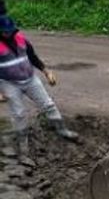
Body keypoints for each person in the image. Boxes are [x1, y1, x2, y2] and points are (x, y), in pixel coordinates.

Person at [0, 14, 78, 159]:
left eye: (10, 31)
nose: (8, 33)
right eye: (5, 31)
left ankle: (62, 130)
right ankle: (23, 144)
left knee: (48, 104)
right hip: (9, 83)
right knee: (19, 114)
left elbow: (33, 57)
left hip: (30, 79)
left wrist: (46, 72)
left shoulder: (21, 39)